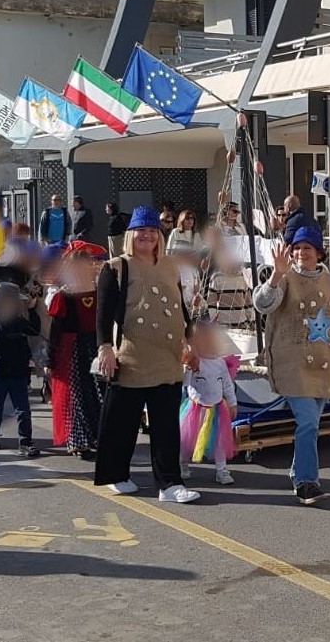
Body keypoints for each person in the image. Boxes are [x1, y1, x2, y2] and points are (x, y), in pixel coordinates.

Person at [93, 206, 200, 504]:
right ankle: (117, 474)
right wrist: (105, 348)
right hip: (131, 356)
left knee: (166, 424)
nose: (147, 235)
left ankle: (169, 484)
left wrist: (190, 342)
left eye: (153, 231)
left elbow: (181, 307)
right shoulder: (116, 267)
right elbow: (102, 315)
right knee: (122, 421)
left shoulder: (170, 265)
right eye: (141, 230)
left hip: (167, 356)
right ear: (131, 234)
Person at [252, 225, 330, 505]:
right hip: (292, 364)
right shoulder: (285, 278)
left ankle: (297, 472)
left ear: (318, 252)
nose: (302, 253)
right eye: (297, 248)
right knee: (308, 422)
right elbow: (262, 304)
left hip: (323, 365)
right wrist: (276, 275)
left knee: (310, 425)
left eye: (307, 248)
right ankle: (306, 481)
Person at [47, 240, 106, 460]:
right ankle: (80, 439)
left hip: (92, 345)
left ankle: (94, 437)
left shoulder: (99, 291)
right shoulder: (63, 296)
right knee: (78, 394)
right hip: (73, 348)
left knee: (94, 392)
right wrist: (50, 358)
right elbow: (55, 330)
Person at [0, 283, 43, 458]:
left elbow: (34, 330)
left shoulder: (20, 322)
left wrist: (32, 311)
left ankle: (25, 440)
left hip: (18, 370)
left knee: (23, 408)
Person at [178, 319, 238, 484]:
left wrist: (232, 403)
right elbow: (184, 383)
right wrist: (189, 367)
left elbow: (226, 384)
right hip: (196, 409)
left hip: (217, 409)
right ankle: (182, 464)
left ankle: (222, 470)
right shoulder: (195, 363)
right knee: (187, 440)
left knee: (219, 441)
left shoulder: (219, 363)